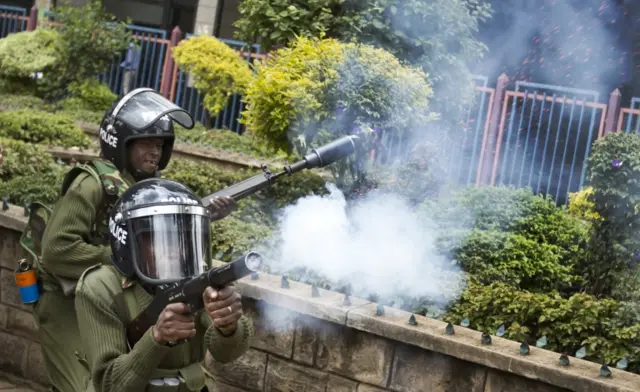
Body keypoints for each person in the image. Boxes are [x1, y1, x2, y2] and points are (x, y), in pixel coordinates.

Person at [35, 87, 237, 392]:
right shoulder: (90, 185)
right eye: (146, 143)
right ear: (120, 143)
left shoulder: (145, 187)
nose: (155, 152)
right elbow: (56, 251)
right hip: (65, 298)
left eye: (160, 145)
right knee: (84, 385)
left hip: (120, 292)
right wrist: (125, 257)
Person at [74, 178, 254, 392]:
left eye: (183, 238)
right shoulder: (100, 287)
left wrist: (228, 326)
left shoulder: (197, 279)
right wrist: (156, 338)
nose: (175, 251)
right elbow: (109, 384)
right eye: (156, 238)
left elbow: (226, 354)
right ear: (127, 241)